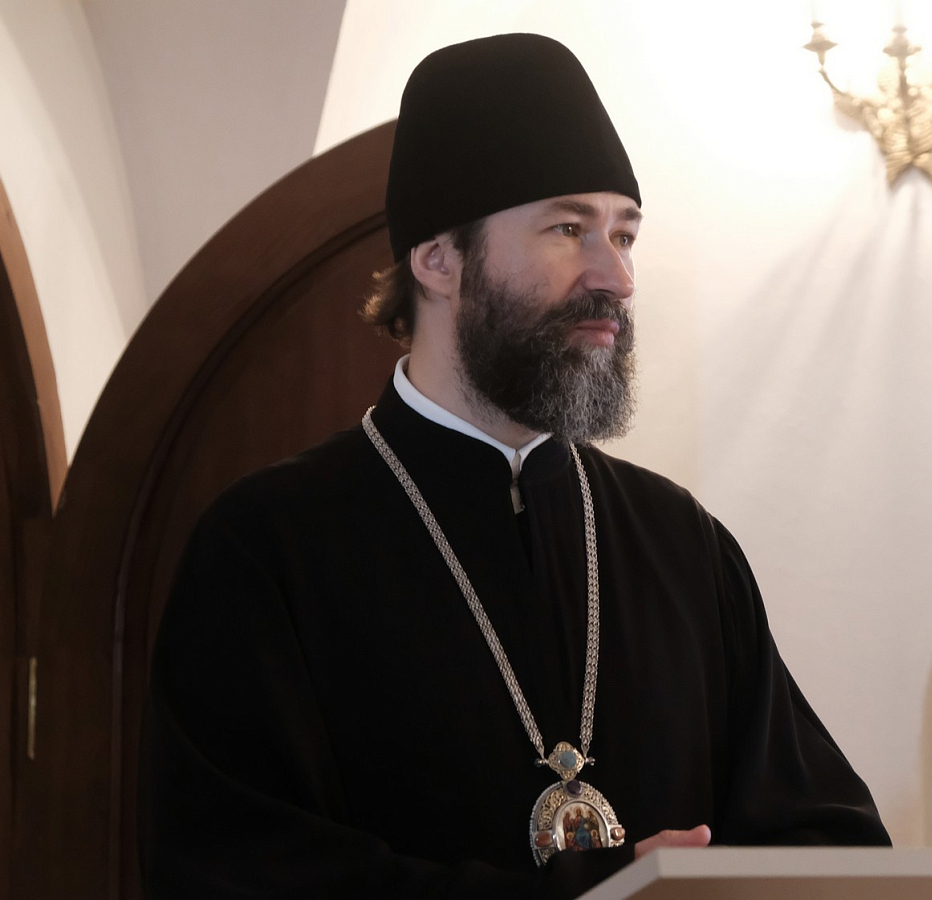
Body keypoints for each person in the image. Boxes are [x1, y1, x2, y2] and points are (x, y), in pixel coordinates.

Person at [138, 33, 890, 900]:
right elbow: (231, 871)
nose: (616, 277)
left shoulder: (683, 544)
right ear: (438, 259)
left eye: (624, 233)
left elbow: (829, 838)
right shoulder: (267, 546)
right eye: (568, 229)